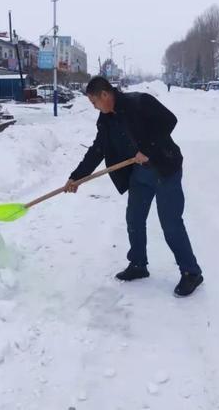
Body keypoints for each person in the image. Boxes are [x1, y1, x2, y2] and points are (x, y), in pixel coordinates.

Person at [65, 76, 203, 297]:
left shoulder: (139, 102)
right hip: (140, 174)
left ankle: (191, 272)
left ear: (104, 95)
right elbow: (98, 150)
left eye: (93, 102)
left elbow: (169, 120)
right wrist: (77, 177)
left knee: (171, 224)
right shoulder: (106, 119)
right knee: (134, 218)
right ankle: (138, 264)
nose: (94, 107)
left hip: (165, 169)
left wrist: (148, 149)